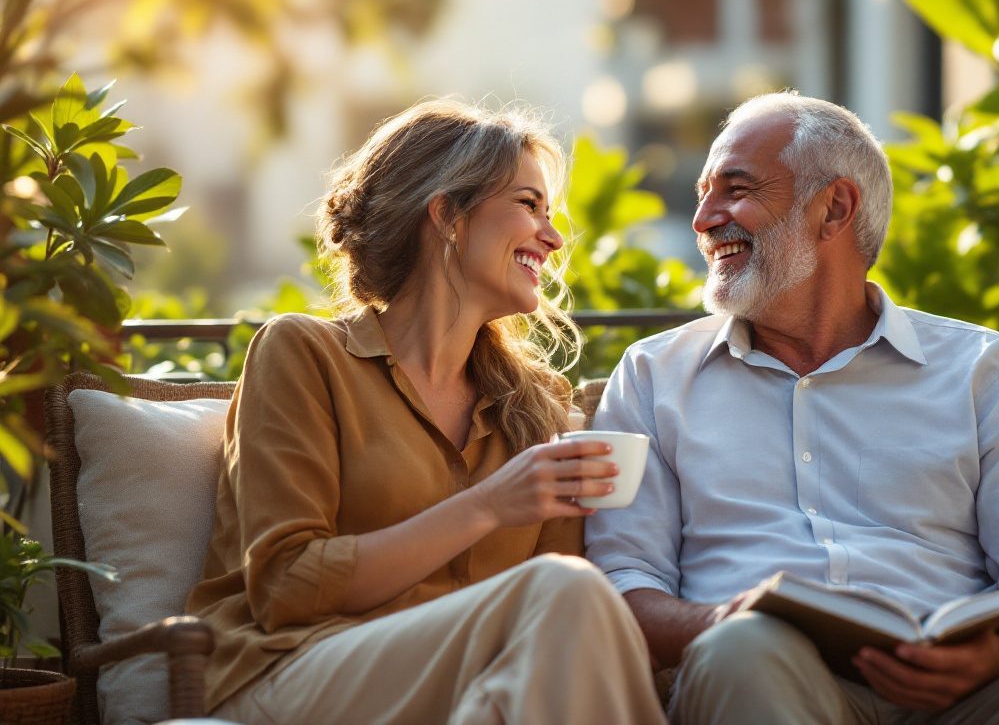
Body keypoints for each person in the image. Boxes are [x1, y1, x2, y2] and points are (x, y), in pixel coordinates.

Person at [584, 91, 999, 725]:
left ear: (835, 208)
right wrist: (720, 620)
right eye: (704, 194)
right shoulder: (653, 377)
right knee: (740, 649)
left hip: (965, 698)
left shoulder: (983, 369)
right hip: (762, 679)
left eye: (736, 189)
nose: (703, 220)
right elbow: (623, 577)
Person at [186, 99, 666, 724]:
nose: (552, 239)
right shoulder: (304, 354)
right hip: (294, 667)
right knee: (564, 591)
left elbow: (567, 632)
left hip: (467, 686)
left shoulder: (534, 408)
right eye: (528, 205)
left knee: (562, 620)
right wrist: (489, 504)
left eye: (550, 215)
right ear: (446, 215)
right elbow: (285, 587)